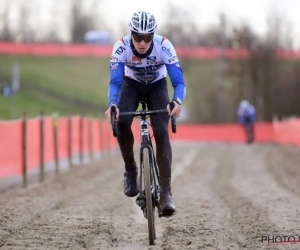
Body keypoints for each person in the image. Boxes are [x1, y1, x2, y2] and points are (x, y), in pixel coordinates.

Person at [105, 10, 186, 217]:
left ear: (153, 36)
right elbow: (115, 82)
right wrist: (113, 104)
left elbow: (178, 81)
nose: (143, 42)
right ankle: (131, 170)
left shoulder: (164, 46)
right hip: (130, 84)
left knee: (160, 130)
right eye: (138, 37)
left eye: (148, 37)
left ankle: (166, 193)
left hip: (157, 86)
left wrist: (176, 101)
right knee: (122, 122)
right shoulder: (121, 46)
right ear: (131, 34)